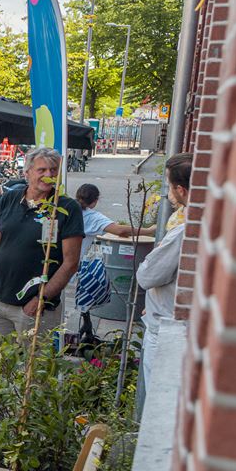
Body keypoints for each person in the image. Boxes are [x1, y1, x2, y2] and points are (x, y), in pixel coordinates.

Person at [0, 147, 85, 339]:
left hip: (34, 308)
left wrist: (41, 299)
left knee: (34, 366)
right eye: (42, 170)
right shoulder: (9, 198)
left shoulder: (66, 208)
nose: (49, 175)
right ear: (27, 172)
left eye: (53, 170)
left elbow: (71, 263)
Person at [136, 153, 192, 386]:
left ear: (181, 190)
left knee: (160, 398)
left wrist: (151, 257)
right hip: (175, 321)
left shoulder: (182, 232)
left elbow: (147, 276)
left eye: (169, 185)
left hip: (168, 329)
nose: (168, 193)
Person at [75, 184, 155, 258]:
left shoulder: (69, 208)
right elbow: (120, 231)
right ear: (96, 200)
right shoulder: (93, 217)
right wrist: (149, 231)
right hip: (71, 264)